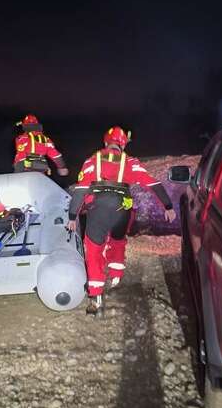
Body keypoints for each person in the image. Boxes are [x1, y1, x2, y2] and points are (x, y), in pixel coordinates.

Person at [67, 126, 176, 315]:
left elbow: (81, 189)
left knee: (93, 251)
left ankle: (96, 297)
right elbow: (153, 183)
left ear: (105, 142)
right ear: (123, 144)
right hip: (121, 211)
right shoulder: (131, 162)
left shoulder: (91, 162)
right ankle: (116, 274)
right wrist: (168, 206)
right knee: (118, 241)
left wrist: (72, 216)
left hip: (98, 210)